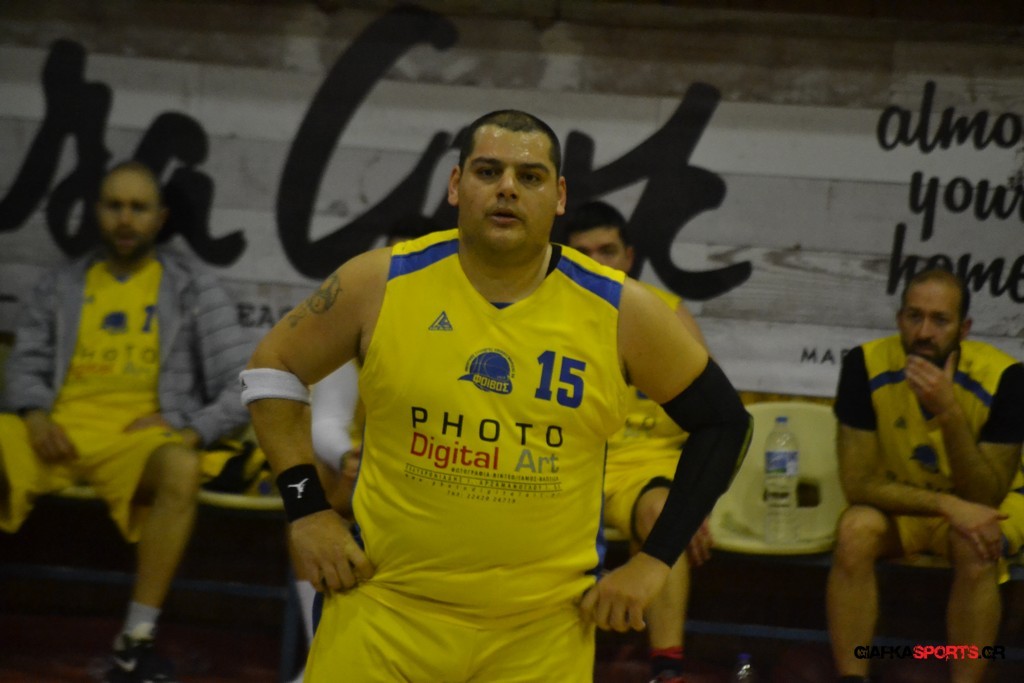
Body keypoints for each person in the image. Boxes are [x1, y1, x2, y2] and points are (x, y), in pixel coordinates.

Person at [242, 109, 751, 682]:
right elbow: (272, 368)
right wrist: (307, 510)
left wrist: (654, 561)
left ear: (559, 197)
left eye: (530, 177)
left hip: (541, 632)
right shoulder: (378, 282)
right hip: (384, 611)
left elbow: (725, 423)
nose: (508, 187)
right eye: (488, 172)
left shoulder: (622, 310)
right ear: (456, 185)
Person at [0, 161, 252, 683]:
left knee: (182, 467)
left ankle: (135, 639)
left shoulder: (194, 289)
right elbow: (25, 365)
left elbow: (244, 384)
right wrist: (36, 416)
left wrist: (188, 429)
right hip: (57, 434)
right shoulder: (62, 283)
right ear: (97, 212)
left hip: (137, 443)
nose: (125, 219)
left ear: (160, 218)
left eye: (139, 208)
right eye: (114, 206)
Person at [827, 268, 1024, 683]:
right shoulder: (865, 365)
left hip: (988, 505)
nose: (924, 332)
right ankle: (852, 677)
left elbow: (986, 495)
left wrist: (948, 412)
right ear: (899, 319)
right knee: (854, 530)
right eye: (914, 316)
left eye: (940, 320)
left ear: (963, 329)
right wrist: (946, 505)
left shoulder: (1005, 378)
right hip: (912, 505)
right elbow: (857, 484)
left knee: (976, 543)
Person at [563, 200, 713, 683]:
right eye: (582, 253)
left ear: (628, 257)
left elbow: (713, 420)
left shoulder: (665, 313)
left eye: (607, 250)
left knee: (664, 512)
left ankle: (667, 669)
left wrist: (696, 496)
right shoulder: (539, 313)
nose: (597, 263)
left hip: (640, 467)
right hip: (560, 464)